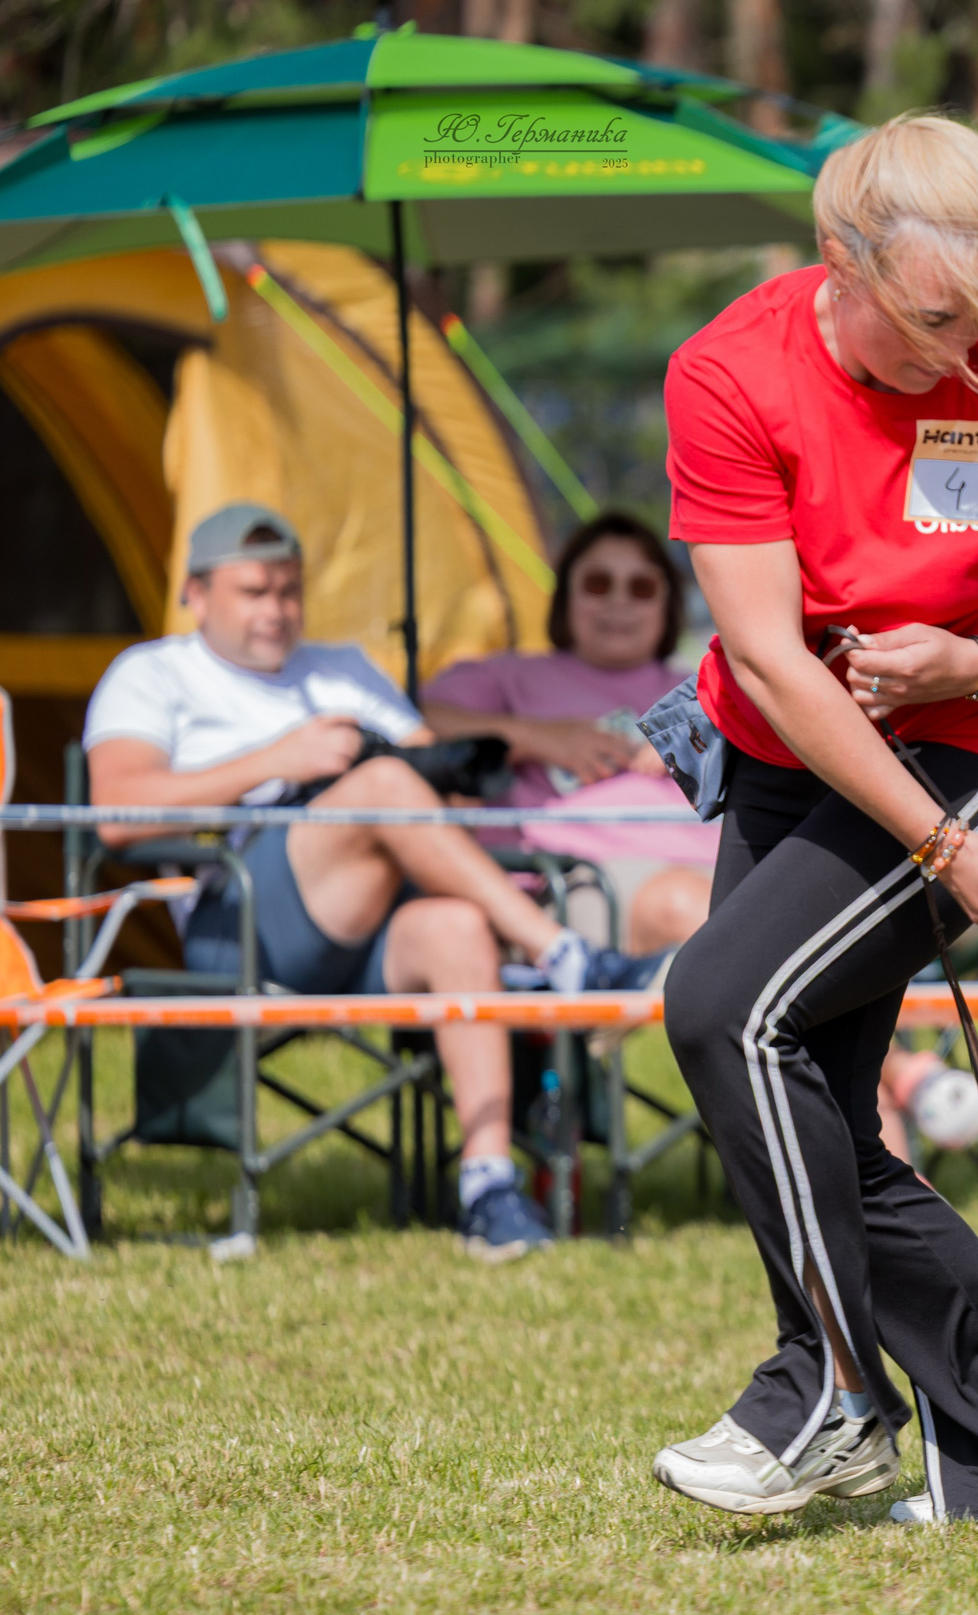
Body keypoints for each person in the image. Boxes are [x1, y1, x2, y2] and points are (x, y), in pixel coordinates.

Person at [649, 114, 978, 1521]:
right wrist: (935, 847)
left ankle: (829, 1396)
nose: (965, 350)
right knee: (808, 1105)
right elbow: (768, 661)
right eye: (934, 318)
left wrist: (975, 660)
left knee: (724, 1009)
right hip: (797, 750)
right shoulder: (729, 374)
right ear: (839, 259)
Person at [84, 504, 667, 1261]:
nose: (276, 610)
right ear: (194, 594)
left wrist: (453, 778)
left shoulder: (343, 669)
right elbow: (114, 814)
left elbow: (434, 774)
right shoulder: (152, 673)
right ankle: (562, 953)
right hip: (243, 924)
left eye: (290, 590)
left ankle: (488, 1184)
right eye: (254, 591)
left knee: (455, 924)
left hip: (374, 919)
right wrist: (276, 762)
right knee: (383, 784)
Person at [421, 512, 716, 954]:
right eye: (598, 584)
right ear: (565, 596)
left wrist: (699, 742)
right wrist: (531, 737)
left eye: (640, 587)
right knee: (688, 906)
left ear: (667, 602)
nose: (619, 602)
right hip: (579, 883)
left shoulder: (705, 684)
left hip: (716, 871)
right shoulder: (510, 676)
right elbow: (412, 720)